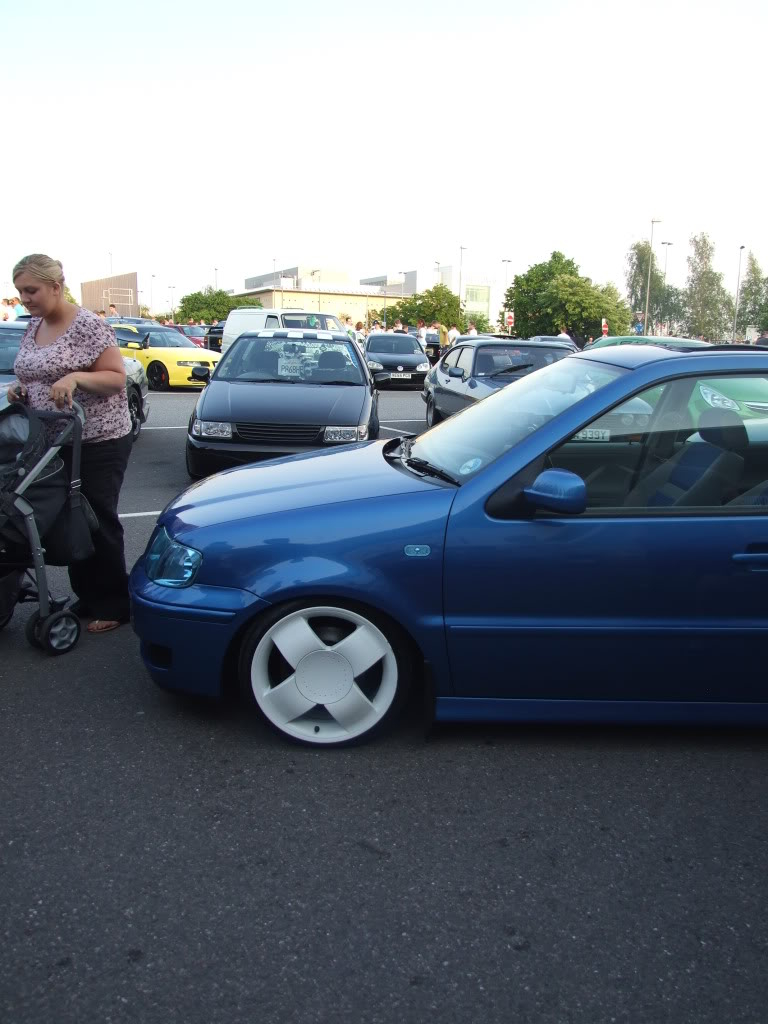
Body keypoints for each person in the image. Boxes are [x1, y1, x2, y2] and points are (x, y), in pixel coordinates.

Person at [8, 253, 133, 634]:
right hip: (53, 439)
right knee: (70, 520)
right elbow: (34, 373)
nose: (25, 298)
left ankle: (115, 603)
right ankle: (89, 595)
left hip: (98, 438)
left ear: (55, 287)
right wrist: (20, 390)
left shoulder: (88, 325)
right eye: (19, 292)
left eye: (31, 290)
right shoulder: (35, 325)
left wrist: (77, 377)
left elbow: (116, 378)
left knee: (97, 517)